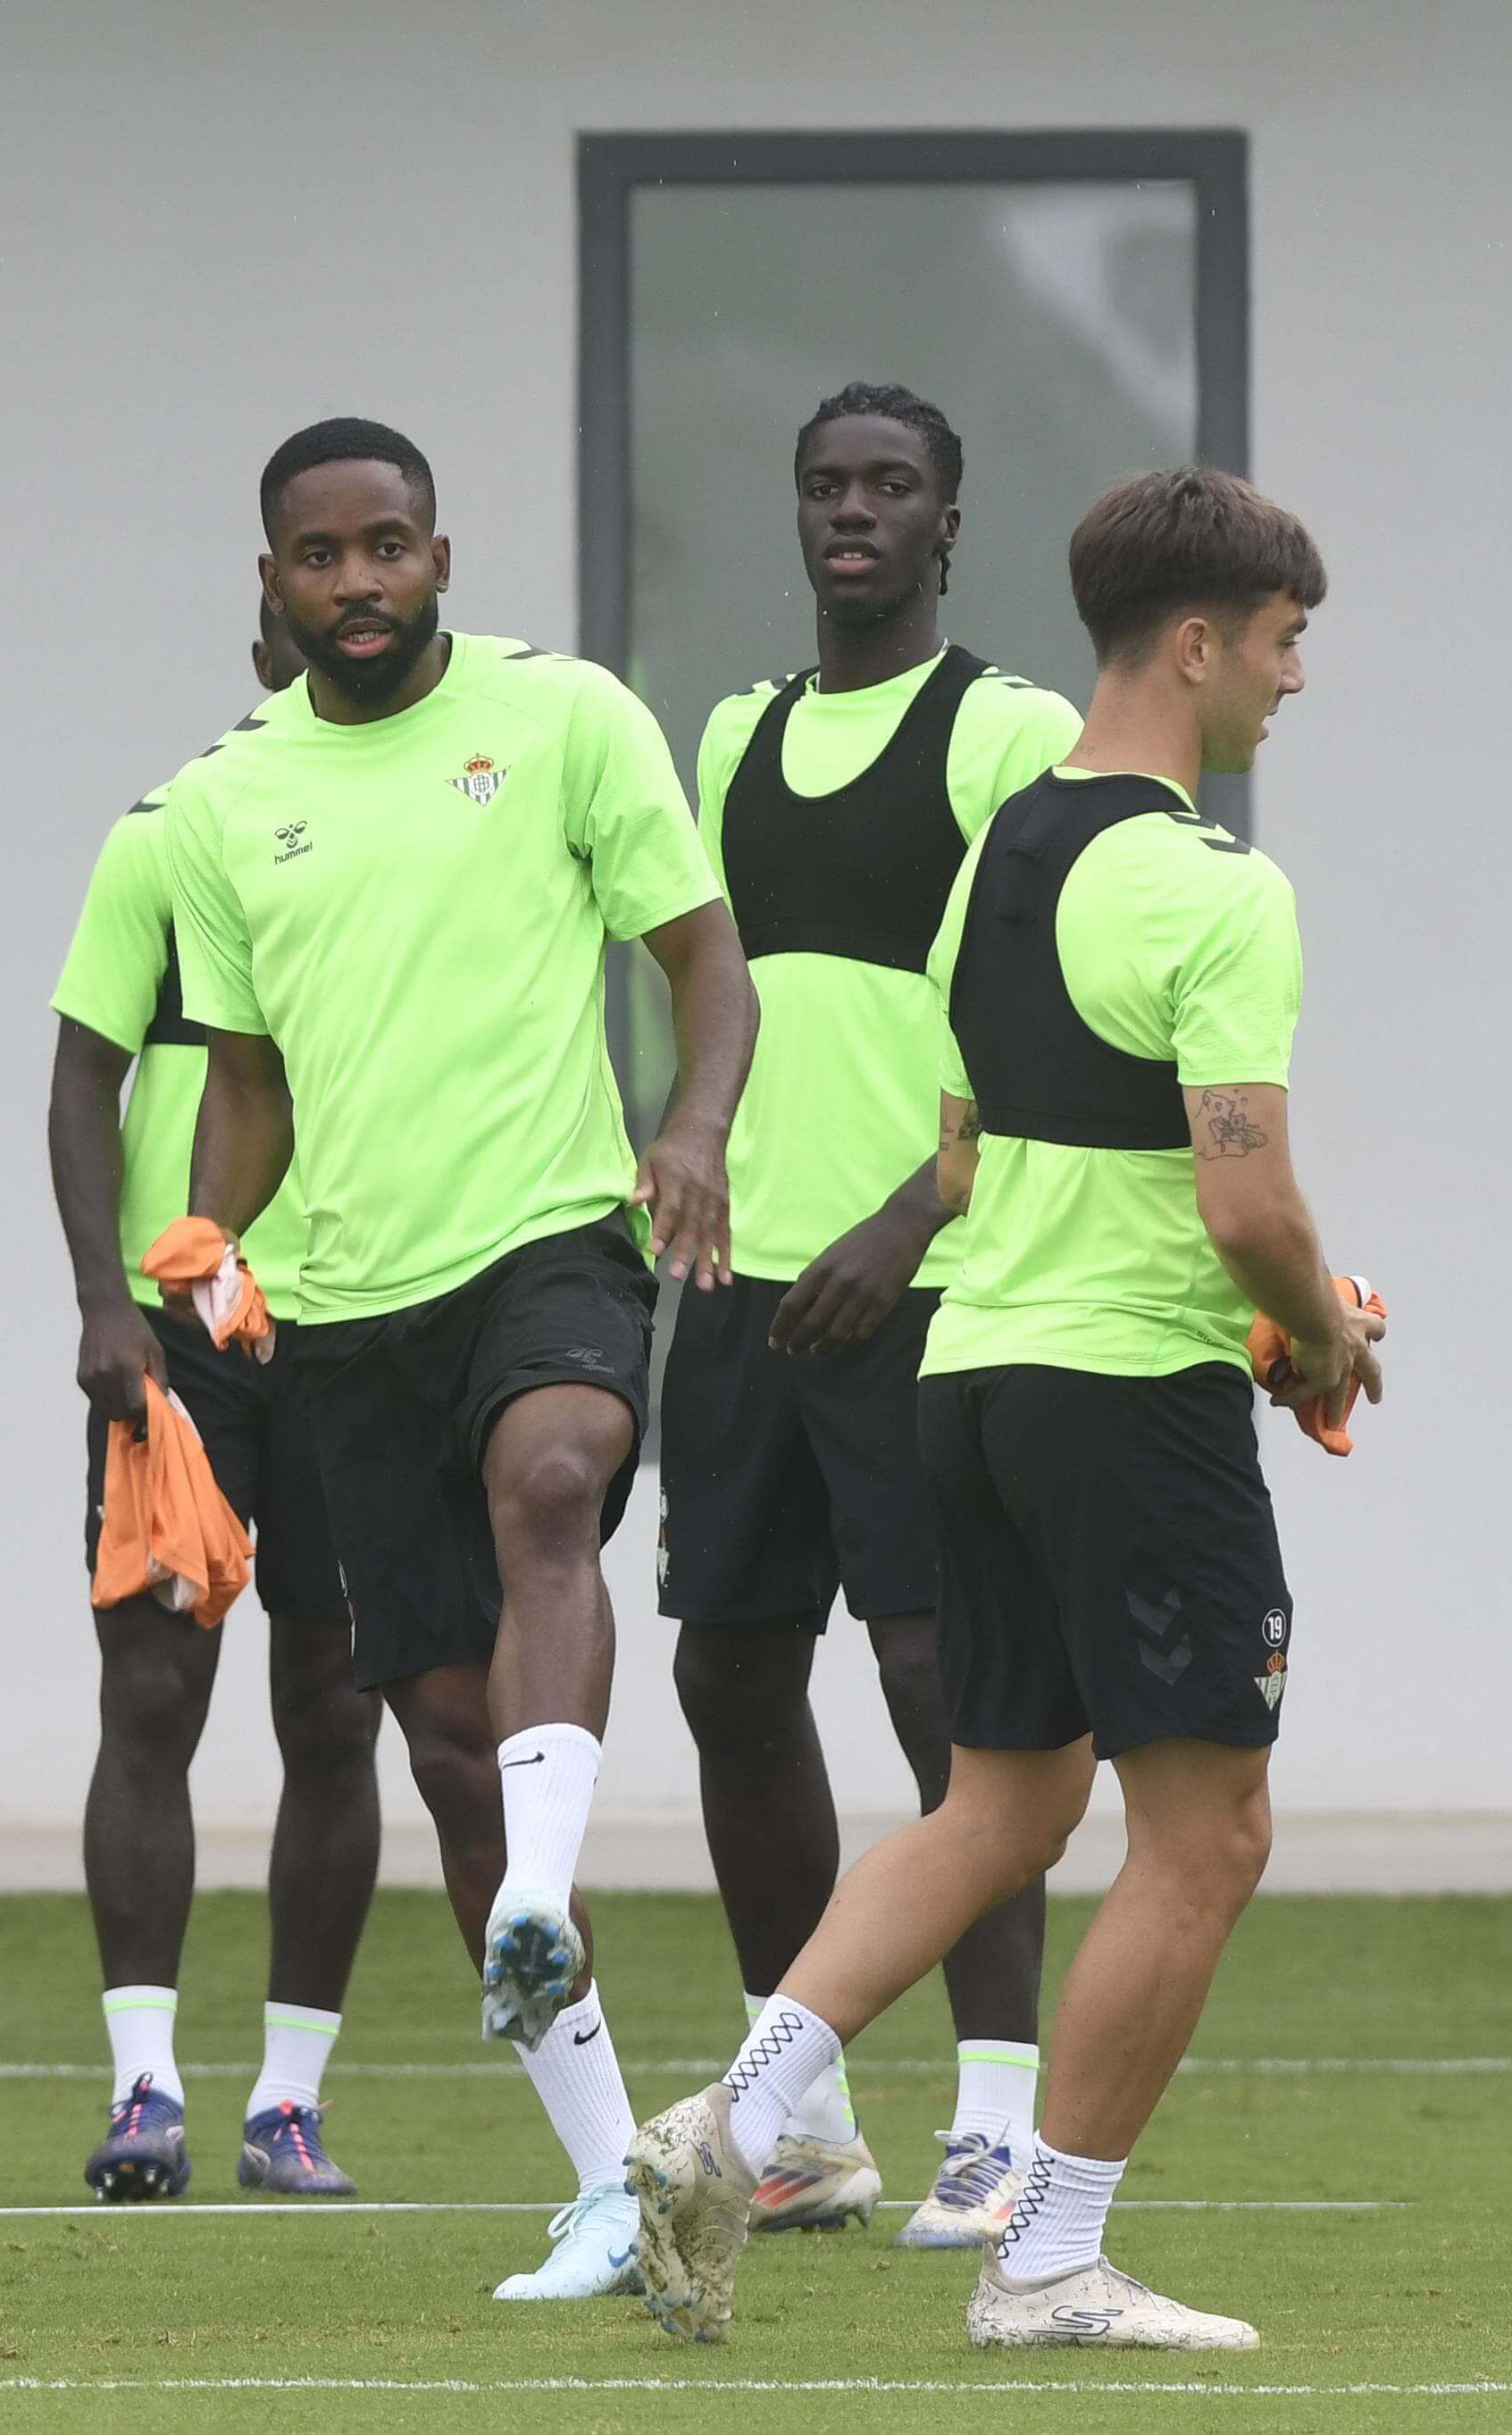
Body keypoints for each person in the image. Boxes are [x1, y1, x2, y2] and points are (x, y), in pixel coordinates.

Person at [629, 468, 1363, 2354]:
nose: (1292, 684)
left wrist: (1269, 1303)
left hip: (973, 1378)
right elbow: (1244, 1199)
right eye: (1285, 646)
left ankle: (732, 2117)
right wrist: (1321, 1337)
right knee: (1206, 1833)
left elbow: (964, 1159)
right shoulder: (1217, 887)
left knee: (1003, 1797)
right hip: (1128, 1397)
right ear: (1196, 645)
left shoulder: (995, 867)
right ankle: (1048, 2257)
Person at [164, 418, 760, 2298]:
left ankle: (531, 1884)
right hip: (343, 1308)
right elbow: (244, 1082)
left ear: (441, 553)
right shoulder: (214, 804)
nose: (358, 582)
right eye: (319, 557)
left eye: (388, 546)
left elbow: (701, 955)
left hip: (553, 1231)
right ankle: (615, 2182)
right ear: (270, 583)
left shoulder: (570, 715)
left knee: (557, 1478)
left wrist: (693, 1131)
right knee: (433, 1729)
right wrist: (201, 1250)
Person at [658, 384, 1082, 2245]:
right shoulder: (731, 729)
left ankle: (995, 2125)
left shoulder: (1009, 730)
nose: (852, 512)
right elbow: (717, 996)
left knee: (950, 1703)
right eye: (824, 482)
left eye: (889, 486)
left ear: (947, 520)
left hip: (924, 1281)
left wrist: (917, 1212)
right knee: (728, 1672)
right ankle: (804, 2112)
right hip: (745, 1288)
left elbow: (1044, 1015)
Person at [49, 603, 384, 2204]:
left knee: (333, 1709)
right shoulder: (168, 828)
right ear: (268, 636)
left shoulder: (407, 849)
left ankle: (288, 2105)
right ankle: (142, 2092)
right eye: (305, 595)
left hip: (361, 1324)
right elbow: (77, 1080)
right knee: (151, 1702)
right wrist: (106, 1297)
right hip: (183, 1348)